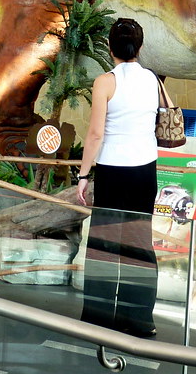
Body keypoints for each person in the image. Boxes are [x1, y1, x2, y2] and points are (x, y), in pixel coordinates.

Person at [76, 17, 165, 338]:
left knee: (104, 245)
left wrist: (83, 175)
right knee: (139, 243)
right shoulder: (153, 80)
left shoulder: (105, 82)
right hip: (145, 171)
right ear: (139, 47)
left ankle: (99, 317)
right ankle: (139, 319)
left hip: (113, 170)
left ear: (109, 47)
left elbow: (96, 133)